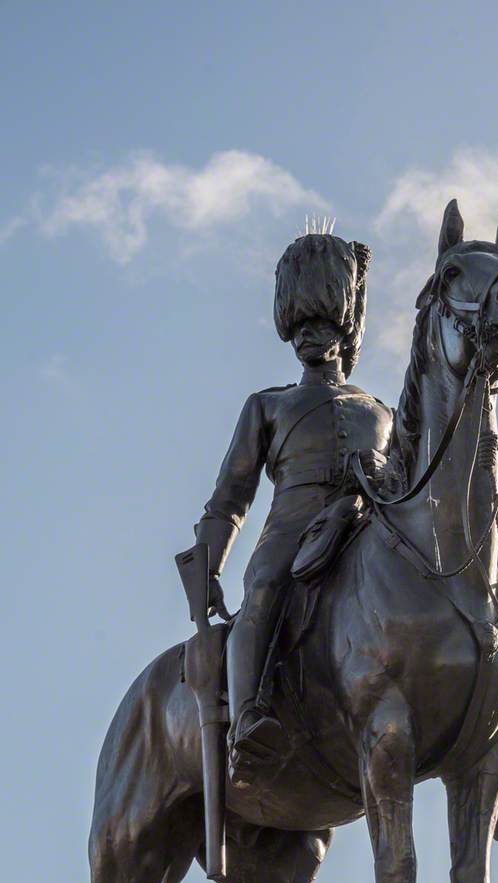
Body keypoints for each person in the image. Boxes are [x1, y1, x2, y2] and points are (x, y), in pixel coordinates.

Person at [193, 231, 392, 786]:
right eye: (300, 326)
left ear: (343, 328)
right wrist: (210, 564)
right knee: (264, 592)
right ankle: (249, 722)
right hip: (292, 525)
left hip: (365, 523)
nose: (309, 335)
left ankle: (486, 743)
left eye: (322, 323)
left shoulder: (382, 412)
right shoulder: (268, 404)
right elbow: (231, 495)